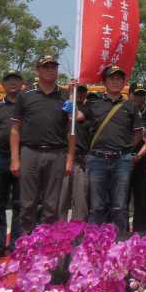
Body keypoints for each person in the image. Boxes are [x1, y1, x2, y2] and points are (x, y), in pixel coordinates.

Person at [10, 55, 75, 234]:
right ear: (37, 70)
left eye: (53, 67)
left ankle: (48, 247)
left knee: (52, 205)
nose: (49, 70)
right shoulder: (26, 95)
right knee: (27, 204)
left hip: (57, 154)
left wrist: (70, 158)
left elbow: (73, 128)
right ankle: (26, 245)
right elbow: (15, 129)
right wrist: (15, 158)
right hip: (30, 152)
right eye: (45, 67)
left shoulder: (66, 96)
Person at [85, 65, 143, 238]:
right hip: (97, 160)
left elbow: (138, 133)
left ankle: (120, 243)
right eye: (112, 78)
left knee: (119, 205)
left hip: (121, 160)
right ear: (104, 82)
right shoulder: (93, 104)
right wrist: (72, 94)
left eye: (119, 79)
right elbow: (77, 120)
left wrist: (126, 150)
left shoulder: (130, 106)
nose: (116, 82)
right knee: (96, 205)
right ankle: (94, 243)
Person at [0, 69, 24, 258]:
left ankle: (17, 243)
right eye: (9, 80)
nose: (13, 83)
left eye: (16, 80)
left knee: (20, 203)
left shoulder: (27, 105)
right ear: (2, 84)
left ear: (22, 83)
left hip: (23, 157)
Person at [58, 83, 90, 222]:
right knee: (61, 200)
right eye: (78, 91)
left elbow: (77, 116)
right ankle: (59, 234)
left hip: (81, 159)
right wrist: (70, 95)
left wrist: (72, 96)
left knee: (80, 200)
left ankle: (79, 235)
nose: (80, 94)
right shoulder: (62, 106)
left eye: (82, 91)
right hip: (62, 157)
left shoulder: (88, 109)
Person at [128, 81, 146, 233]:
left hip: (143, 159)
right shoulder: (123, 110)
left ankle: (140, 233)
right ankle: (121, 232)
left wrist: (138, 155)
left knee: (142, 198)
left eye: (142, 94)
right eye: (136, 94)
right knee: (121, 199)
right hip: (123, 158)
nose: (139, 98)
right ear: (130, 94)